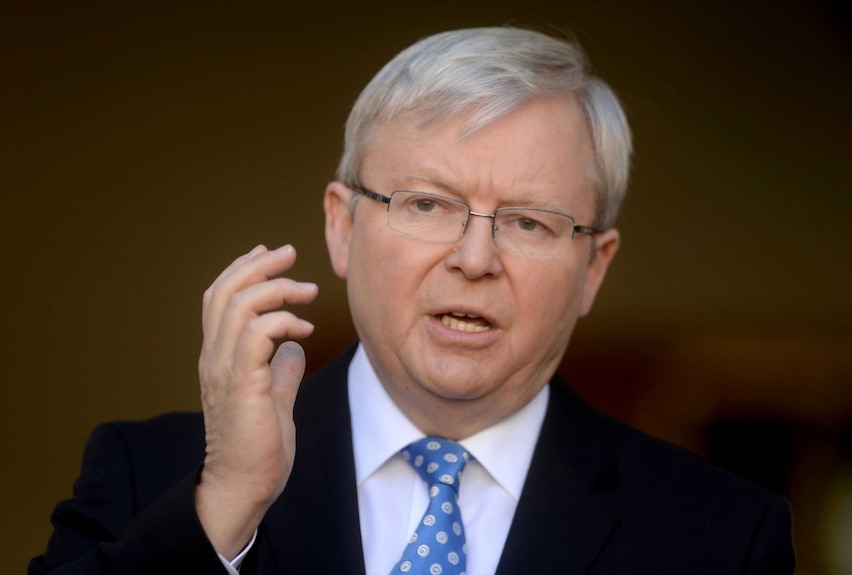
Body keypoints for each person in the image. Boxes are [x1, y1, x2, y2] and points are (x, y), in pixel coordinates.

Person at [31, 27, 795, 574]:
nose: (474, 259)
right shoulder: (151, 476)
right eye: (428, 204)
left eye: (529, 221)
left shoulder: (723, 535)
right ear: (342, 225)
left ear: (593, 267)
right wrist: (228, 505)